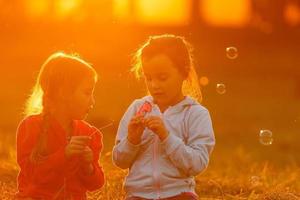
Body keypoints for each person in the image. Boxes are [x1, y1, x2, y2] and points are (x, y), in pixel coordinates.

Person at [112, 34, 215, 200]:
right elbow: (120, 161)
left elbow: (197, 164)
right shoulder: (137, 108)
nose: (154, 85)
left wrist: (166, 137)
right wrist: (132, 140)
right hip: (138, 195)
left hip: (179, 194)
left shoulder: (196, 114)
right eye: (149, 78)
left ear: (184, 72)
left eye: (162, 77)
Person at [16, 52, 105, 200]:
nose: (92, 102)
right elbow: (32, 175)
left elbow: (96, 184)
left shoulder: (89, 133)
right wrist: (64, 155)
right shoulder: (31, 127)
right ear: (63, 92)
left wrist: (88, 166)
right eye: (87, 93)